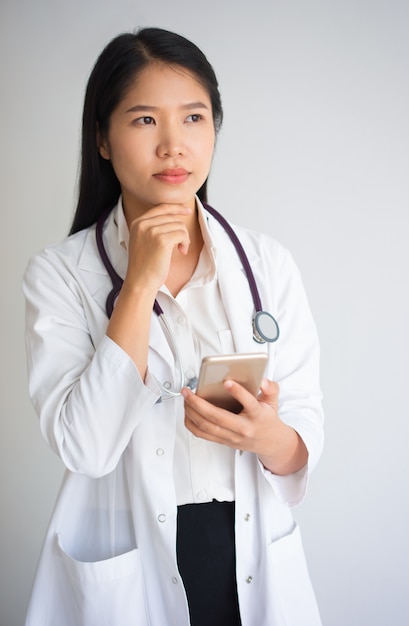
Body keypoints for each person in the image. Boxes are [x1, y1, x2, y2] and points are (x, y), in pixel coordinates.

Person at [23, 27, 324, 626]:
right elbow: (85, 448)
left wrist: (268, 438)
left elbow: (303, 437)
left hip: (250, 553)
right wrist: (137, 285)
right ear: (103, 139)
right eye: (143, 121)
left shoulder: (267, 263)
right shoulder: (59, 274)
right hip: (130, 555)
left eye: (193, 118)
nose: (173, 146)